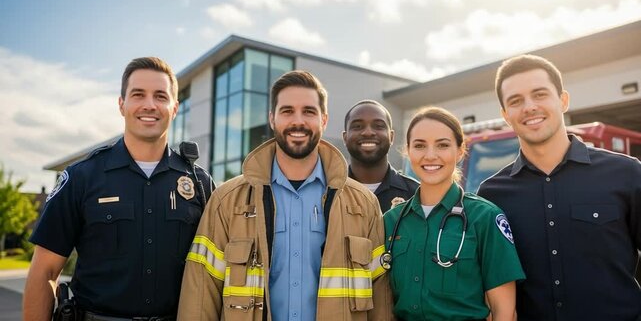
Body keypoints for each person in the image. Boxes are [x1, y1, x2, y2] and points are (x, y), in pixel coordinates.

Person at [178, 70, 392, 320]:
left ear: (323, 120)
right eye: (287, 111)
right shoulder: (226, 201)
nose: (298, 121)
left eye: (309, 112)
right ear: (272, 118)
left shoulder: (363, 204)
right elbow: (200, 294)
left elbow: (381, 299)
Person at [23, 57, 214, 320]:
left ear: (175, 108)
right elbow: (44, 272)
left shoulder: (200, 184)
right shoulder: (82, 178)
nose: (149, 105)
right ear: (122, 104)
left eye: (160, 96)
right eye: (138, 95)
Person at [477, 54, 641, 320]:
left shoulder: (627, 173)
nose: (529, 107)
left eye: (539, 94)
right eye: (516, 101)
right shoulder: (491, 196)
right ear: (506, 115)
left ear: (563, 100)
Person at [384, 106, 524, 321]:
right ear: (408, 151)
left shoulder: (484, 217)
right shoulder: (391, 221)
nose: (430, 156)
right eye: (420, 145)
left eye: (442, 145)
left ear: (460, 151)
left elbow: (504, 312)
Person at [343, 100, 418, 212]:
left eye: (378, 126)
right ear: (345, 137)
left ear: (391, 137)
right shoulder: (328, 192)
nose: (368, 132)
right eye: (358, 126)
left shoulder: (416, 194)